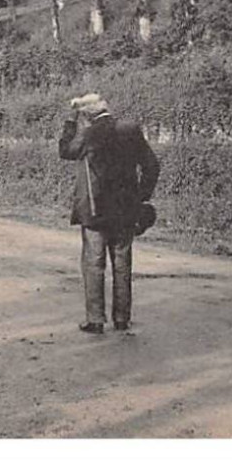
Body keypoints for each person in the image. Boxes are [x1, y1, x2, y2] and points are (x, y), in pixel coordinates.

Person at [59, 92, 160, 335]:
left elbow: (65, 151)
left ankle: (95, 320)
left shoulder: (88, 134)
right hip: (126, 210)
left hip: (95, 210)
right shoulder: (131, 130)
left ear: (86, 115)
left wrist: (71, 122)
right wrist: (141, 196)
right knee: (122, 264)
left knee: (94, 264)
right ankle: (122, 319)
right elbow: (152, 166)